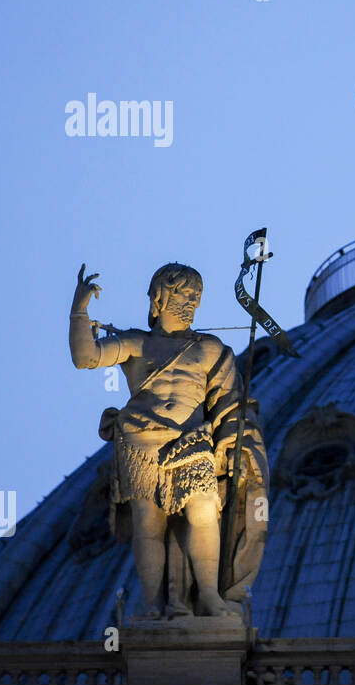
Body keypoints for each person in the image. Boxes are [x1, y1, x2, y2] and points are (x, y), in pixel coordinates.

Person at [69, 262, 267, 617]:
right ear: (160, 296)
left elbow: (229, 403)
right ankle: (156, 607)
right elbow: (86, 357)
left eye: (196, 296)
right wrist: (79, 312)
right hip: (141, 442)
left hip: (192, 442)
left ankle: (208, 594)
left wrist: (235, 444)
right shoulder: (136, 343)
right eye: (184, 294)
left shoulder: (210, 349)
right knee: (149, 524)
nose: (191, 302)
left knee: (205, 510)